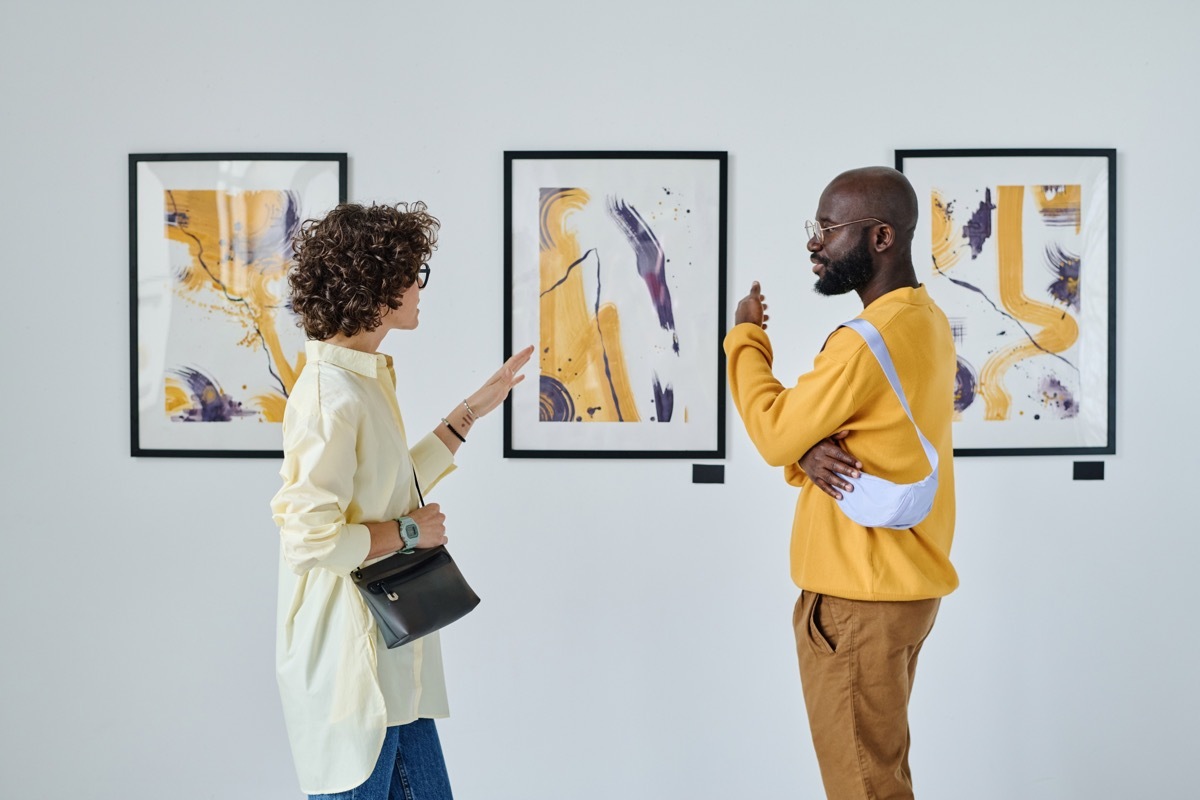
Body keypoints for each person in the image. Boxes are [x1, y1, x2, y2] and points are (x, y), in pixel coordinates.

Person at [270, 201, 534, 799]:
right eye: (412, 272)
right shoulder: (327, 395)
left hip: (392, 660)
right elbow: (309, 538)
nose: (419, 287)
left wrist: (471, 411)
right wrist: (411, 534)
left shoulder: (362, 379)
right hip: (351, 670)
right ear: (375, 285)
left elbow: (389, 487)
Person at [723, 167, 959, 800]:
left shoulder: (866, 341)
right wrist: (807, 455)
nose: (814, 242)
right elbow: (871, 439)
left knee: (861, 787)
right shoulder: (924, 319)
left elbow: (775, 431)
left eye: (828, 228)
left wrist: (746, 337)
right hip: (899, 587)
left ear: (881, 236)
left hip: (859, 599)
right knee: (881, 777)